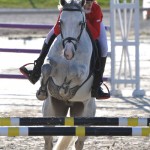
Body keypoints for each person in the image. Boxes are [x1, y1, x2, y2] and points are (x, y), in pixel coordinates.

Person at [20, 0, 110, 99]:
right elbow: (57, 30)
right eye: (86, 3)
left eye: (90, 2)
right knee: (49, 36)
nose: (89, 5)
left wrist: (84, 21)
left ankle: (97, 85)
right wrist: (70, 21)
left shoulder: (96, 9)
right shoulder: (68, 7)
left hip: (92, 25)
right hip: (72, 21)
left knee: (104, 47)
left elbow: (96, 34)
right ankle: (36, 71)